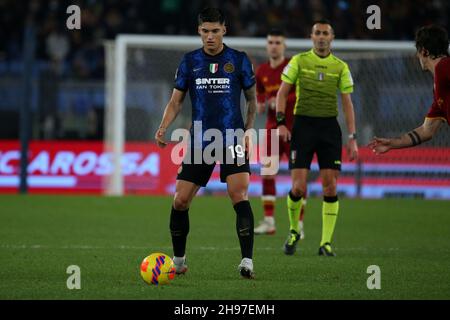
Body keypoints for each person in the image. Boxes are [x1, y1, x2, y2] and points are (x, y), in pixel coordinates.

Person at [154, 8, 257, 278]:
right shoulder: (189, 62)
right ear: (199, 31)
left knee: (239, 195)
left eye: (215, 30)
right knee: (180, 200)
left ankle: (247, 262)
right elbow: (176, 101)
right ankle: (178, 261)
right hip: (200, 139)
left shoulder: (239, 60)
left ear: (225, 30)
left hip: (233, 137)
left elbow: (252, 100)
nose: (210, 36)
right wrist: (163, 127)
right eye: (205, 31)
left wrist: (248, 130)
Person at [276, 19, 358, 256]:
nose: (321, 37)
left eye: (325, 33)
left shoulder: (340, 66)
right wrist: (281, 123)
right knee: (298, 187)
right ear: (311, 38)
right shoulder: (299, 61)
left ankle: (326, 243)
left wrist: (352, 137)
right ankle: (293, 231)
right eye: (317, 33)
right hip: (303, 127)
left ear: (332, 38)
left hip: (329, 130)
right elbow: (282, 93)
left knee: (330, 187)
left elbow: (347, 103)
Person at [254, 29, 307, 238]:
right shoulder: (262, 71)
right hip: (271, 129)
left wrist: (283, 101)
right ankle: (269, 221)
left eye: (278, 42)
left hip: (295, 129)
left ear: (284, 46)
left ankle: (298, 226)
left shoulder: (292, 65)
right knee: (267, 172)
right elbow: (259, 94)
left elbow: (302, 92)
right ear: (267, 46)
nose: (274, 45)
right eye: (271, 42)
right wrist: (260, 104)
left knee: (299, 179)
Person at [369, 25, 449, 154]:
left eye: (417, 52)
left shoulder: (444, 67)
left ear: (424, 51)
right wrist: (393, 143)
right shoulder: (439, 87)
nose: (417, 57)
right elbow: (426, 130)